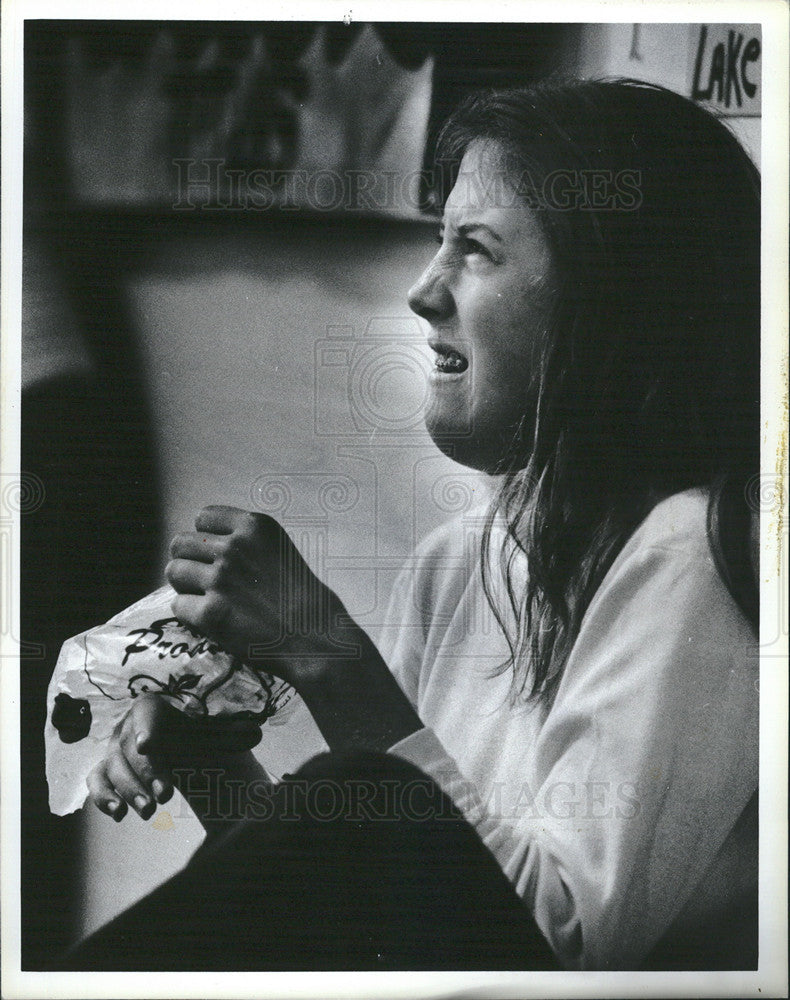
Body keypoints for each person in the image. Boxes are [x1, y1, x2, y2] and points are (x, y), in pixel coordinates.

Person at [69, 78, 759, 972]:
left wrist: (325, 652)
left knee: (355, 785)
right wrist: (211, 769)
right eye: (440, 242)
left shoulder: (695, 552)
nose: (423, 292)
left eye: (474, 250)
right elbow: (379, 914)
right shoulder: (458, 558)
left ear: (611, 300)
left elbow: (561, 951)